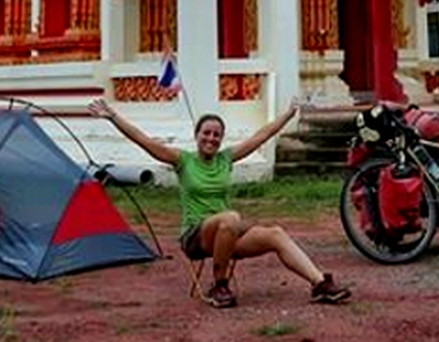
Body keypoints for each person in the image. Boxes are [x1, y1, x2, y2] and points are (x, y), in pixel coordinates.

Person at [87, 97, 352, 308]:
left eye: (217, 135)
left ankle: (319, 284)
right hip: (195, 237)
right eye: (207, 133)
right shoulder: (183, 160)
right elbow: (143, 141)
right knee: (230, 218)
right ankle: (219, 284)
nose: (211, 138)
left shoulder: (226, 159)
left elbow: (262, 136)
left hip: (227, 235)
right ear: (197, 135)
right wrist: (113, 117)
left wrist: (289, 113)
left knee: (275, 233)